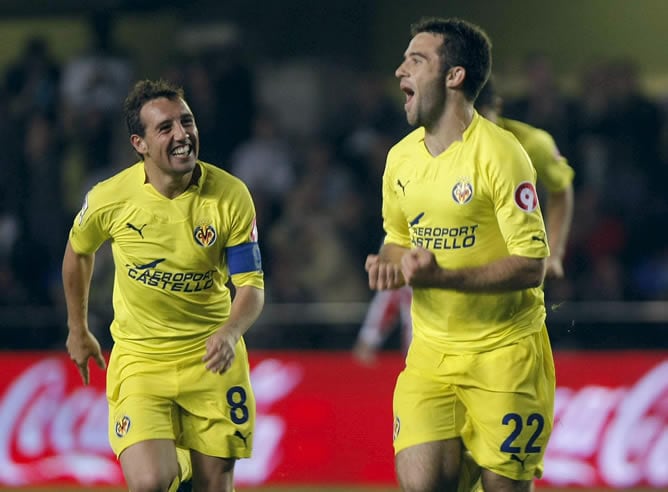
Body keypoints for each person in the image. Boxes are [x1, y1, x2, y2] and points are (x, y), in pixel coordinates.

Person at [365, 17, 555, 492]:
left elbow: (532, 265)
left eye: (416, 59)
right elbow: (397, 237)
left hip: (505, 355)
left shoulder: (501, 153)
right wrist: (390, 262)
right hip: (430, 355)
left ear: (455, 76)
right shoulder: (400, 158)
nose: (399, 70)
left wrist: (442, 277)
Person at [62, 78, 264, 492]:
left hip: (212, 359)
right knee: (152, 480)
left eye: (186, 122)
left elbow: (251, 286)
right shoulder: (109, 198)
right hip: (141, 360)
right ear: (139, 143)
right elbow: (78, 253)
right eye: (165, 127)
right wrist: (77, 329)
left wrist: (229, 332)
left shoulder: (231, 196)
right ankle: (179, 470)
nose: (182, 134)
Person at [353, 78, 575, 365]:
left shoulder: (530, 144)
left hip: (508, 309)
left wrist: (554, 253)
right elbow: (402, 244)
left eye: (482, 119)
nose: (475, 130)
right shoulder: (436, 151)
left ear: (497, 107)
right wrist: (370, 337)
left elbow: (561, 189)